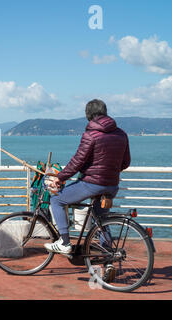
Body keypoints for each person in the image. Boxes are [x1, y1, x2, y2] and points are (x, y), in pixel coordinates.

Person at [44, 99, 131, 254]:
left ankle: (64, 242)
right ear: (104, 112)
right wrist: (109, 172)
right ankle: (108, 257)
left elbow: (77, 161)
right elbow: (125, 163)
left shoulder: (91, 135)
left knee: (56, 200)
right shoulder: (121, 134)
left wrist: (60, 177)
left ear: (88, 115)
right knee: (102, 221)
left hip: (92, 184)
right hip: (112, 185)